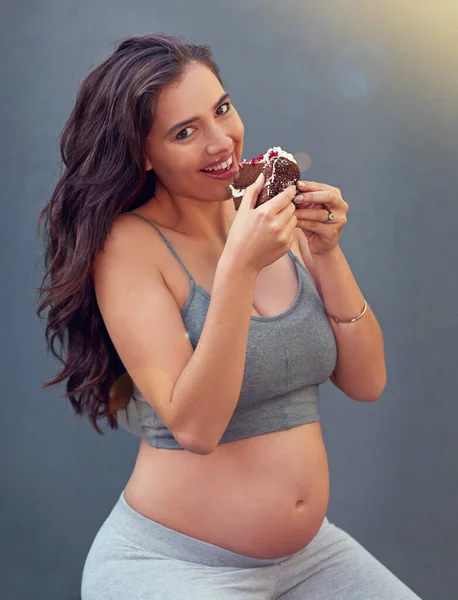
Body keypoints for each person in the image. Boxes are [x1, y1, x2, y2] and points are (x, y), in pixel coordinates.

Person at [37, 33, 422, 599]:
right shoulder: (129, 247)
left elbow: (367, 381)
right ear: (144, 153)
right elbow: (194, 427)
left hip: (309, 558)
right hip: (171, 567)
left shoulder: (267, 211)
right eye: (185, 132)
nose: (222, 142)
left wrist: (326, 251)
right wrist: (238, 269)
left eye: (221, 109)